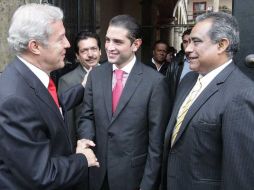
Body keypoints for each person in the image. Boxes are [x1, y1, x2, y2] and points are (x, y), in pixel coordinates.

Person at [0, 4, 99, 190]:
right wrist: (82, 159)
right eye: (60, 38)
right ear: (35, 46)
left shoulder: (24, 77)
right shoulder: (15, 100)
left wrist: (83, 87)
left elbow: (50, 106)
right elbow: (41, 176)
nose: (68, 44)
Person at [161, 12, 254, 190]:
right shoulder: (187, 81)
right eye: (188, 42)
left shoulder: (242, 94)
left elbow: (239, 174)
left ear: (222, 45)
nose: (187, 49)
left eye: (196, 42)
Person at [78, 14, 170, 190]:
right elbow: (86, 116)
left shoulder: (155, 82)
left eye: (117, 42)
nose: (109, 47)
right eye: (107, 40)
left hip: (133, 178)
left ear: (136, 44)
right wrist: (86, 139)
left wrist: (148, 185)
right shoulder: (95, 75)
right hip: (97, 172)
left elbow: (156, 141)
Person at [58, 31, 101, 147]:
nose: (90, 54)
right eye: (84, 51)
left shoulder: (112, 74)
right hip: (83, 144)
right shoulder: (67, 80)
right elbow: (69, 122)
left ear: (100, 51)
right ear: (77, 56)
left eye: (94, 49)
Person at [166, 28, 192, 102]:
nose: (188, 45)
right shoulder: (174, 64)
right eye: (185, 42)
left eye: (191, 41)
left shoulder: (205, 63)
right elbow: (167, 89)